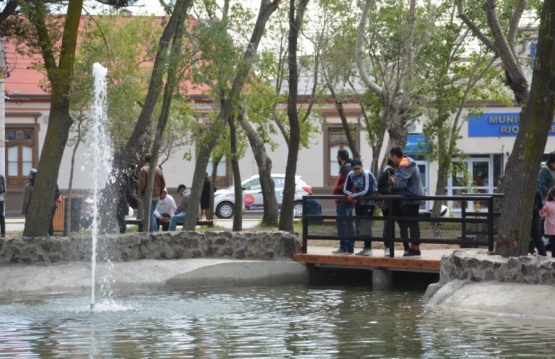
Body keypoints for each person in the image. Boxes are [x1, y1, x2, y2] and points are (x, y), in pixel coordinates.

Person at [389, 146, 425, 258]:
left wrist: (393, 183)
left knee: (412, 223)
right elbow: (405, 178)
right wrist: (398, 178)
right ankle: (414, 248)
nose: (391, 159)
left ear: (395, 156)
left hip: (411, 197)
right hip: (415, 195)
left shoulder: (404, 165)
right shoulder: (408, 161)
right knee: (413, 222)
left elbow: (403, 184)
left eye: (391, 156)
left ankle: (415, 250)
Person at [343, 159, 377, 256]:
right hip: (359, 201)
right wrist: (351, 194)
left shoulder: (367, 174)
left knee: (366, 222)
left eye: (359, 168)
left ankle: (368, 247)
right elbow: (345, 189)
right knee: (361, 222)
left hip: (370, 201)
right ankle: (365, 246)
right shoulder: (351, 175)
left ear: (362, 167)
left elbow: (367, 189)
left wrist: (353, 195)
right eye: (355, 169)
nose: (357, 171)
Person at [331, 149, 356, 255]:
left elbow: (348, 183)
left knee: (342, 222)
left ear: (340, 158)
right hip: (350, 200)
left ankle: (344, 247)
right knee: (349, 223)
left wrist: (337, 189)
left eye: (337, 157)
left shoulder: (346, 167)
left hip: (345, 200)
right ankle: (350, 247)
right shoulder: (350, 166)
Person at [137, 154, 166, 232]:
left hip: (146, 195)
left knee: (149, 214)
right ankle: (153, 230)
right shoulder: (158, 169)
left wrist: (139, 193)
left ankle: (154, 232)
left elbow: (141, 183)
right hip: (156, 195)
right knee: (150, 213)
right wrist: (160, 192)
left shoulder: (144, 169)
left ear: (145, 160)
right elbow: (163, 183)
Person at [377, 159, 397, 257]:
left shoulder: (391, 172)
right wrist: (388, 195)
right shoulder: (388, 173)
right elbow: (379, 186)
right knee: (388, 224)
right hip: (387, 203)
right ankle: (387, 247)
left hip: (391, 203)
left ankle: (390, 246)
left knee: (390, 224)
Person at [529, 183, 547, 256]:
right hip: (534, 212)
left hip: (535, 214)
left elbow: (540, 203)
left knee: (537, 233)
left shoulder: (537, 189)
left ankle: (543, 253)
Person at [540, 187, 555, 258]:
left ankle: (541, 251)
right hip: (551, 226)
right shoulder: (548, 204)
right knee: (553, 243)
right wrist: (543, 210)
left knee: (551, 243)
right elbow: (542, 214)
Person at [0, 173, 6, 237]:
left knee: (1, 215)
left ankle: (3, 232)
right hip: (1, 199)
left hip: (0, 200)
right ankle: (2, 232)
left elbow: (4, 189)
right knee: (1, 216)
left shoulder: (1, 177)